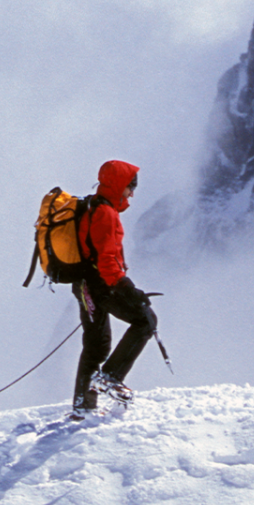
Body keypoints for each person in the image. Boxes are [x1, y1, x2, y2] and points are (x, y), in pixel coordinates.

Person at [72, 160, 157, 418]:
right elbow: (106, 259)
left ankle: (83, 407)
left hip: (85, 285)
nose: (132, 193)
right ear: (119, 185)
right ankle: (110, 377)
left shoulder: (93, 205)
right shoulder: (106, 213)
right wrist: (127, 288)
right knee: (145, 320)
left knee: (96, 346)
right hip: (100, 285)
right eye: (131, 187)